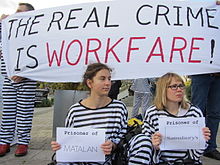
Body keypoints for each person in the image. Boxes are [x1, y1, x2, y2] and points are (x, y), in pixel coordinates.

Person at [51, 63, 128, 165]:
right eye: (102, 79)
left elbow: (123, 139)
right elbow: (70, 142)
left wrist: (112, 145)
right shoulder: (75, 111)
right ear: (90, 83)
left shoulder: (119, 108)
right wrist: (60, 147)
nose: (108, 83)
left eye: (109, 79)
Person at [143, 73, 210, 165]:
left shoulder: (194, 112)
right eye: (174, 86)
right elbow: (145, 148)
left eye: (181, 86)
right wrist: (154, 145)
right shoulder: (152, 113)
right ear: (163, 89)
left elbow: (196, 156)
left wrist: (202, 141)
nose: (179, 90)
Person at [0, 3, 37, 157]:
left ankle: (23, 142)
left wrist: (25, 72)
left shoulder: (34, 34)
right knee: (8, 110)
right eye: (16, 11)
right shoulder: (6, 30)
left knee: (24, 112)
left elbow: (38, 56)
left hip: (26, 79)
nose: (16, 14)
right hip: (8, 77)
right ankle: (4, 142)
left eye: (20, 12)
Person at [191, 73, 220, 160]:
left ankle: (210, 148)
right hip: (201, 73)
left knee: (215, 113)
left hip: (217, 75)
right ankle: (192, 145)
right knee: (196, 112)